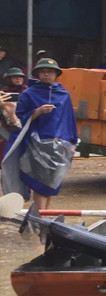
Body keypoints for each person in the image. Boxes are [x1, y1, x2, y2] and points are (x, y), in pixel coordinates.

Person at [1, 57, 78, 209]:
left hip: (60, 145)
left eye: (49, 72)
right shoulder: (29, 94)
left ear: (56, 74)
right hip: (37, 145)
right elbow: (19, 120)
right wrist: (37, 112)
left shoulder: (64, 94)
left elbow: (69, 120)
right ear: (37, 74)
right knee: (40, 184)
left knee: (52, 185)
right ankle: (40, 219)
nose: (46, 75)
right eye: (42, 72)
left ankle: (44, 217)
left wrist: (73, 142)